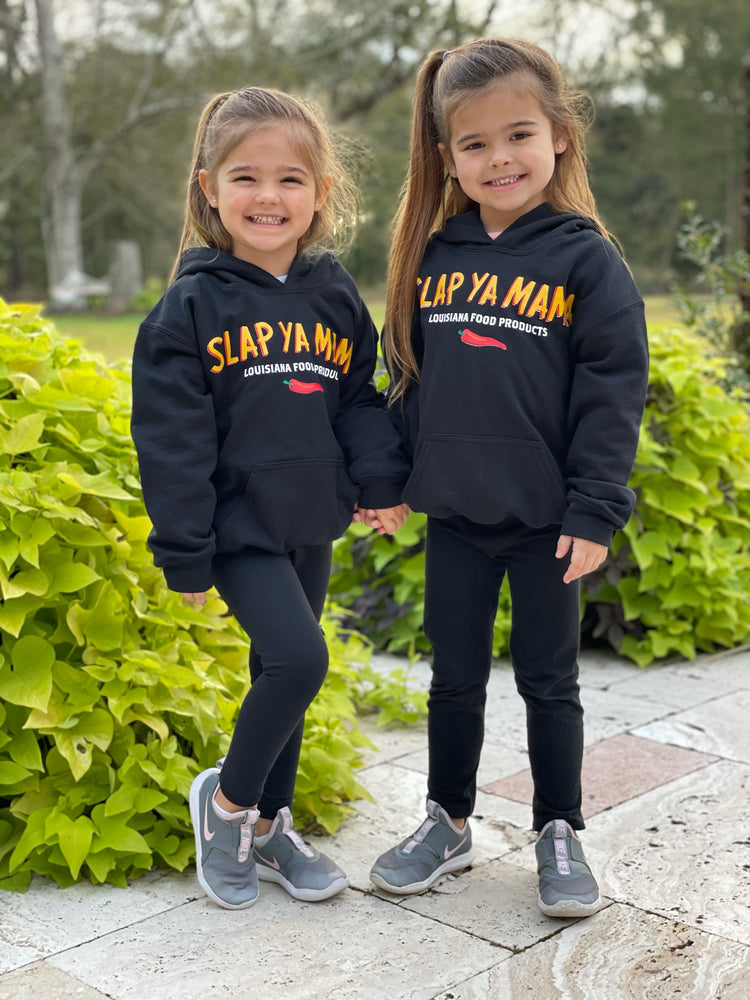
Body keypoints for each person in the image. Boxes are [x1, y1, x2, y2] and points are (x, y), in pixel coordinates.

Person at [368, 38, 649, 918]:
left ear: (560, 135)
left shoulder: (586, 260)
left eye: (518, 134)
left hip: (547, 523)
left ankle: (558, 832)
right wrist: (387, 480)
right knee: (452, 679)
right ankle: (446, 821)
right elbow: (407, 380)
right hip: (456, 516)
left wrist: (596, 509)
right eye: (475, 144)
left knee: (548, 681)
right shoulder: (434, 253)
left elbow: (613, 394)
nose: (499, 158)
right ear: (447, 156)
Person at [131, 86, 410, 910]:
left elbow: (358, 396)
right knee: (300, 659)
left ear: (320, 193)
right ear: (208, 187)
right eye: (245, 177)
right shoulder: (189, 305)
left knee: (277, 670)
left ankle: (274, 825)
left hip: (309, 512)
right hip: (236, 522)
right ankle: (227, 809)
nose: (267, 196)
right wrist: (186, 547)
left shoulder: (331, 293)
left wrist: (380, 481)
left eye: (290, 179)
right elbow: (172, 440)